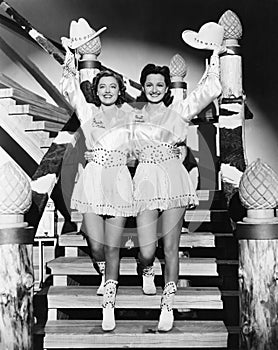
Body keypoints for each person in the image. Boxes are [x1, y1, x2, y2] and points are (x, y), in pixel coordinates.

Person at [131, 47, 222, 332]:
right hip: (145, 181)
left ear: (167, 87)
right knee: (147, 250)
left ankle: (167, 305)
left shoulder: (179, 111)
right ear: (143, 87)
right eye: (149, 84)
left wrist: (216, 58)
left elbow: (207, 91)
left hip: (174, 181)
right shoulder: (132, 116)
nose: (155, 89)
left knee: (171, 248)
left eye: (160, 84)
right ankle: (146, 267)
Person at [60, 41, 134, 332]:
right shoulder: (88, 112)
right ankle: (103, 269)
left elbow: (139, 150)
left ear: (119, 91)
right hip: (92, 182)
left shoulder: (130, 116)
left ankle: (109, 306)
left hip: (118, 180)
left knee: (114, 246)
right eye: (102, 86)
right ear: (97, 90)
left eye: (111, 87)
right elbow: (69, 88)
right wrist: (70, 58)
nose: (106, 91)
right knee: (96, 243)